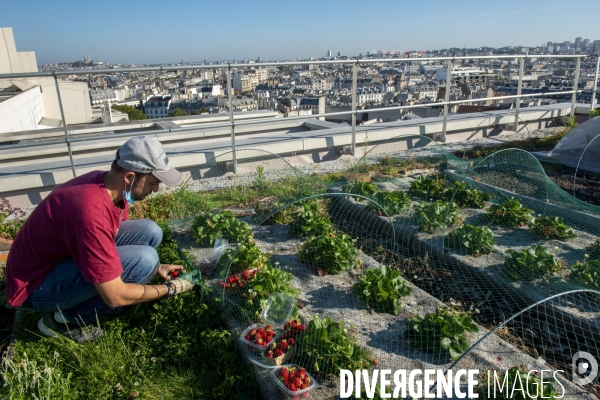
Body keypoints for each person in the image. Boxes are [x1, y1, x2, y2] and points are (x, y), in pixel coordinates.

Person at [5, 136, 201, 343]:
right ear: (129, 177)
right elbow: (114, 295)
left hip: (59, 260)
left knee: (150, 231)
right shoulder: (91, 213)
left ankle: (97, 298)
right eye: (153, 183)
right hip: (34, 284)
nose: (155, 190)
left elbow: (106, 240)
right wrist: (171, 288)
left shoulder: (109, 186)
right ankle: (64, 323)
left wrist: (156, 267)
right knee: (144, 260)